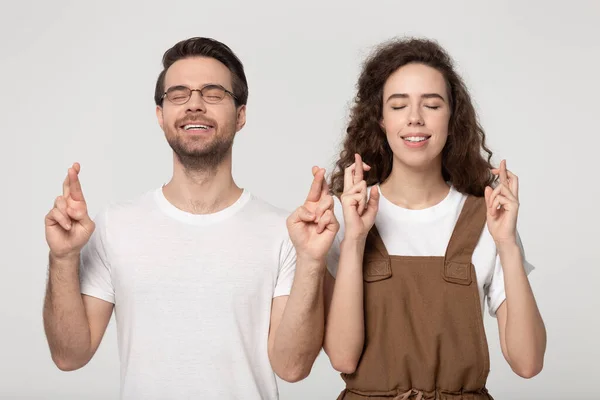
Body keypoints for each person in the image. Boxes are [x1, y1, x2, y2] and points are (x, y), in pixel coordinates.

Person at [42, 36, 337, 400]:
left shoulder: (286, 232)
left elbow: (292, 367)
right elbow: (69, 355)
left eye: (213, 93)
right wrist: (63, 257)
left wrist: (311, 260)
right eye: (178, 94)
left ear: (241, 115)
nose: (194, 105)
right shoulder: (114, 226)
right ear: (160, 114)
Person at [322, 37, 547, 399]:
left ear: (451, 116)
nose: (415, 118)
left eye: (432, 104)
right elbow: (343, 358)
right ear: (380, 119)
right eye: (398, 106)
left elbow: (528, 361)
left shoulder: (489, 219)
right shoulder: (347, 214)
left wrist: (506, 243)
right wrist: (354, 241)